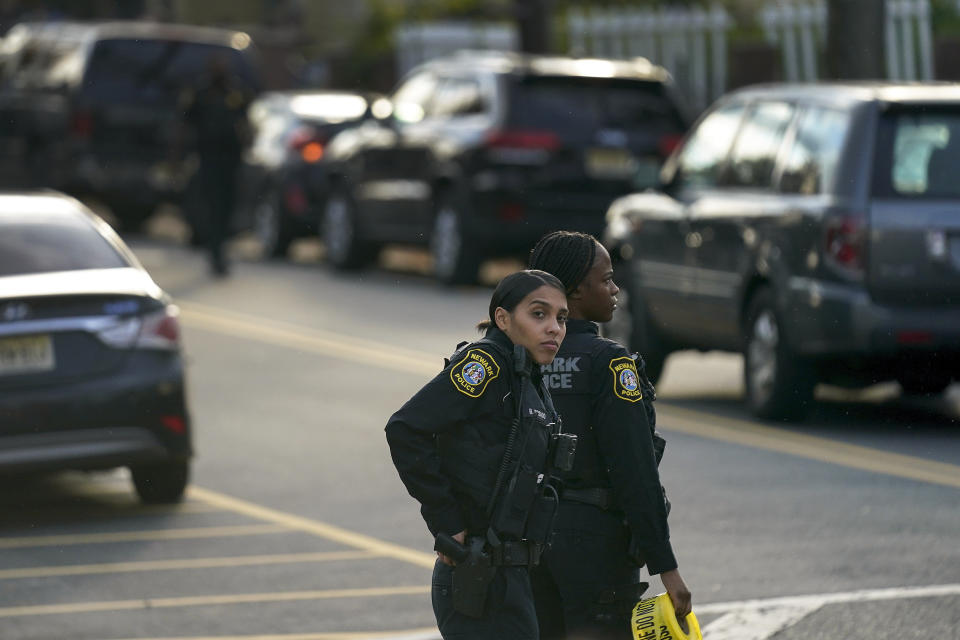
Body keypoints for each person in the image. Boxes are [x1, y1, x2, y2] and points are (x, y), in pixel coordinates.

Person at [385, 270, 576, 640]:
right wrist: (447, 520)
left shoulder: (526, 374)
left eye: (561, 317)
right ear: (503, 319)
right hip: (479, 574)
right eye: (539, 314)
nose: (554, 328)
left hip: (510, 575)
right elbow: (406, 429)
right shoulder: (486, 364)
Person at [528, 231, 692, 639]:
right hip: (593, 545)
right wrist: (667, 569)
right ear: (577, 292)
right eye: (606, 279)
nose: (616, 288)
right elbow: (635, 471)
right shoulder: (610, 363)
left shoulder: (513, 357)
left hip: (522, 541)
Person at [180, 55, 250, 276]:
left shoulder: (236, 92)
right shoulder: (200, 93)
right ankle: (213, 251)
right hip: (208, 159)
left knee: (226, 207)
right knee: (210, 205)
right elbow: (185, 123)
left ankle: (219, 250)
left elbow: (245, 122)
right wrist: (179, 156)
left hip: (230, 160)